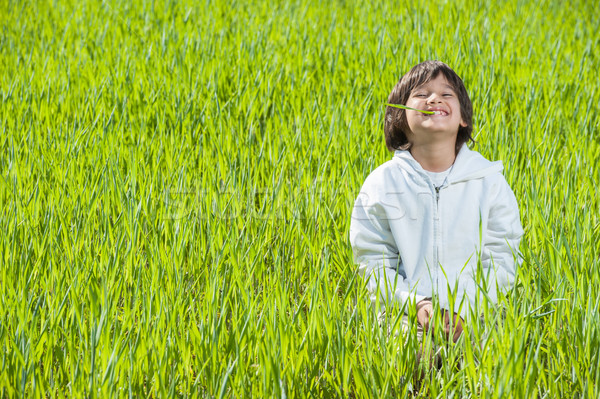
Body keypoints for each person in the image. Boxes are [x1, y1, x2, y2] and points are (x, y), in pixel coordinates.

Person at [349, 60, 523, 343]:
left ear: (463, 118)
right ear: (400, 117)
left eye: (446, 94)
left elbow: (502, 258)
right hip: (403, 312)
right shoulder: (383, 184)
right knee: (408, 362)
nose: (434, 99)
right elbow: (373, 261)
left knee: (489, 364)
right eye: (421, 94)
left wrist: (466, 309)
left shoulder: (489, 183)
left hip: (477, 312)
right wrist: (416, 303)